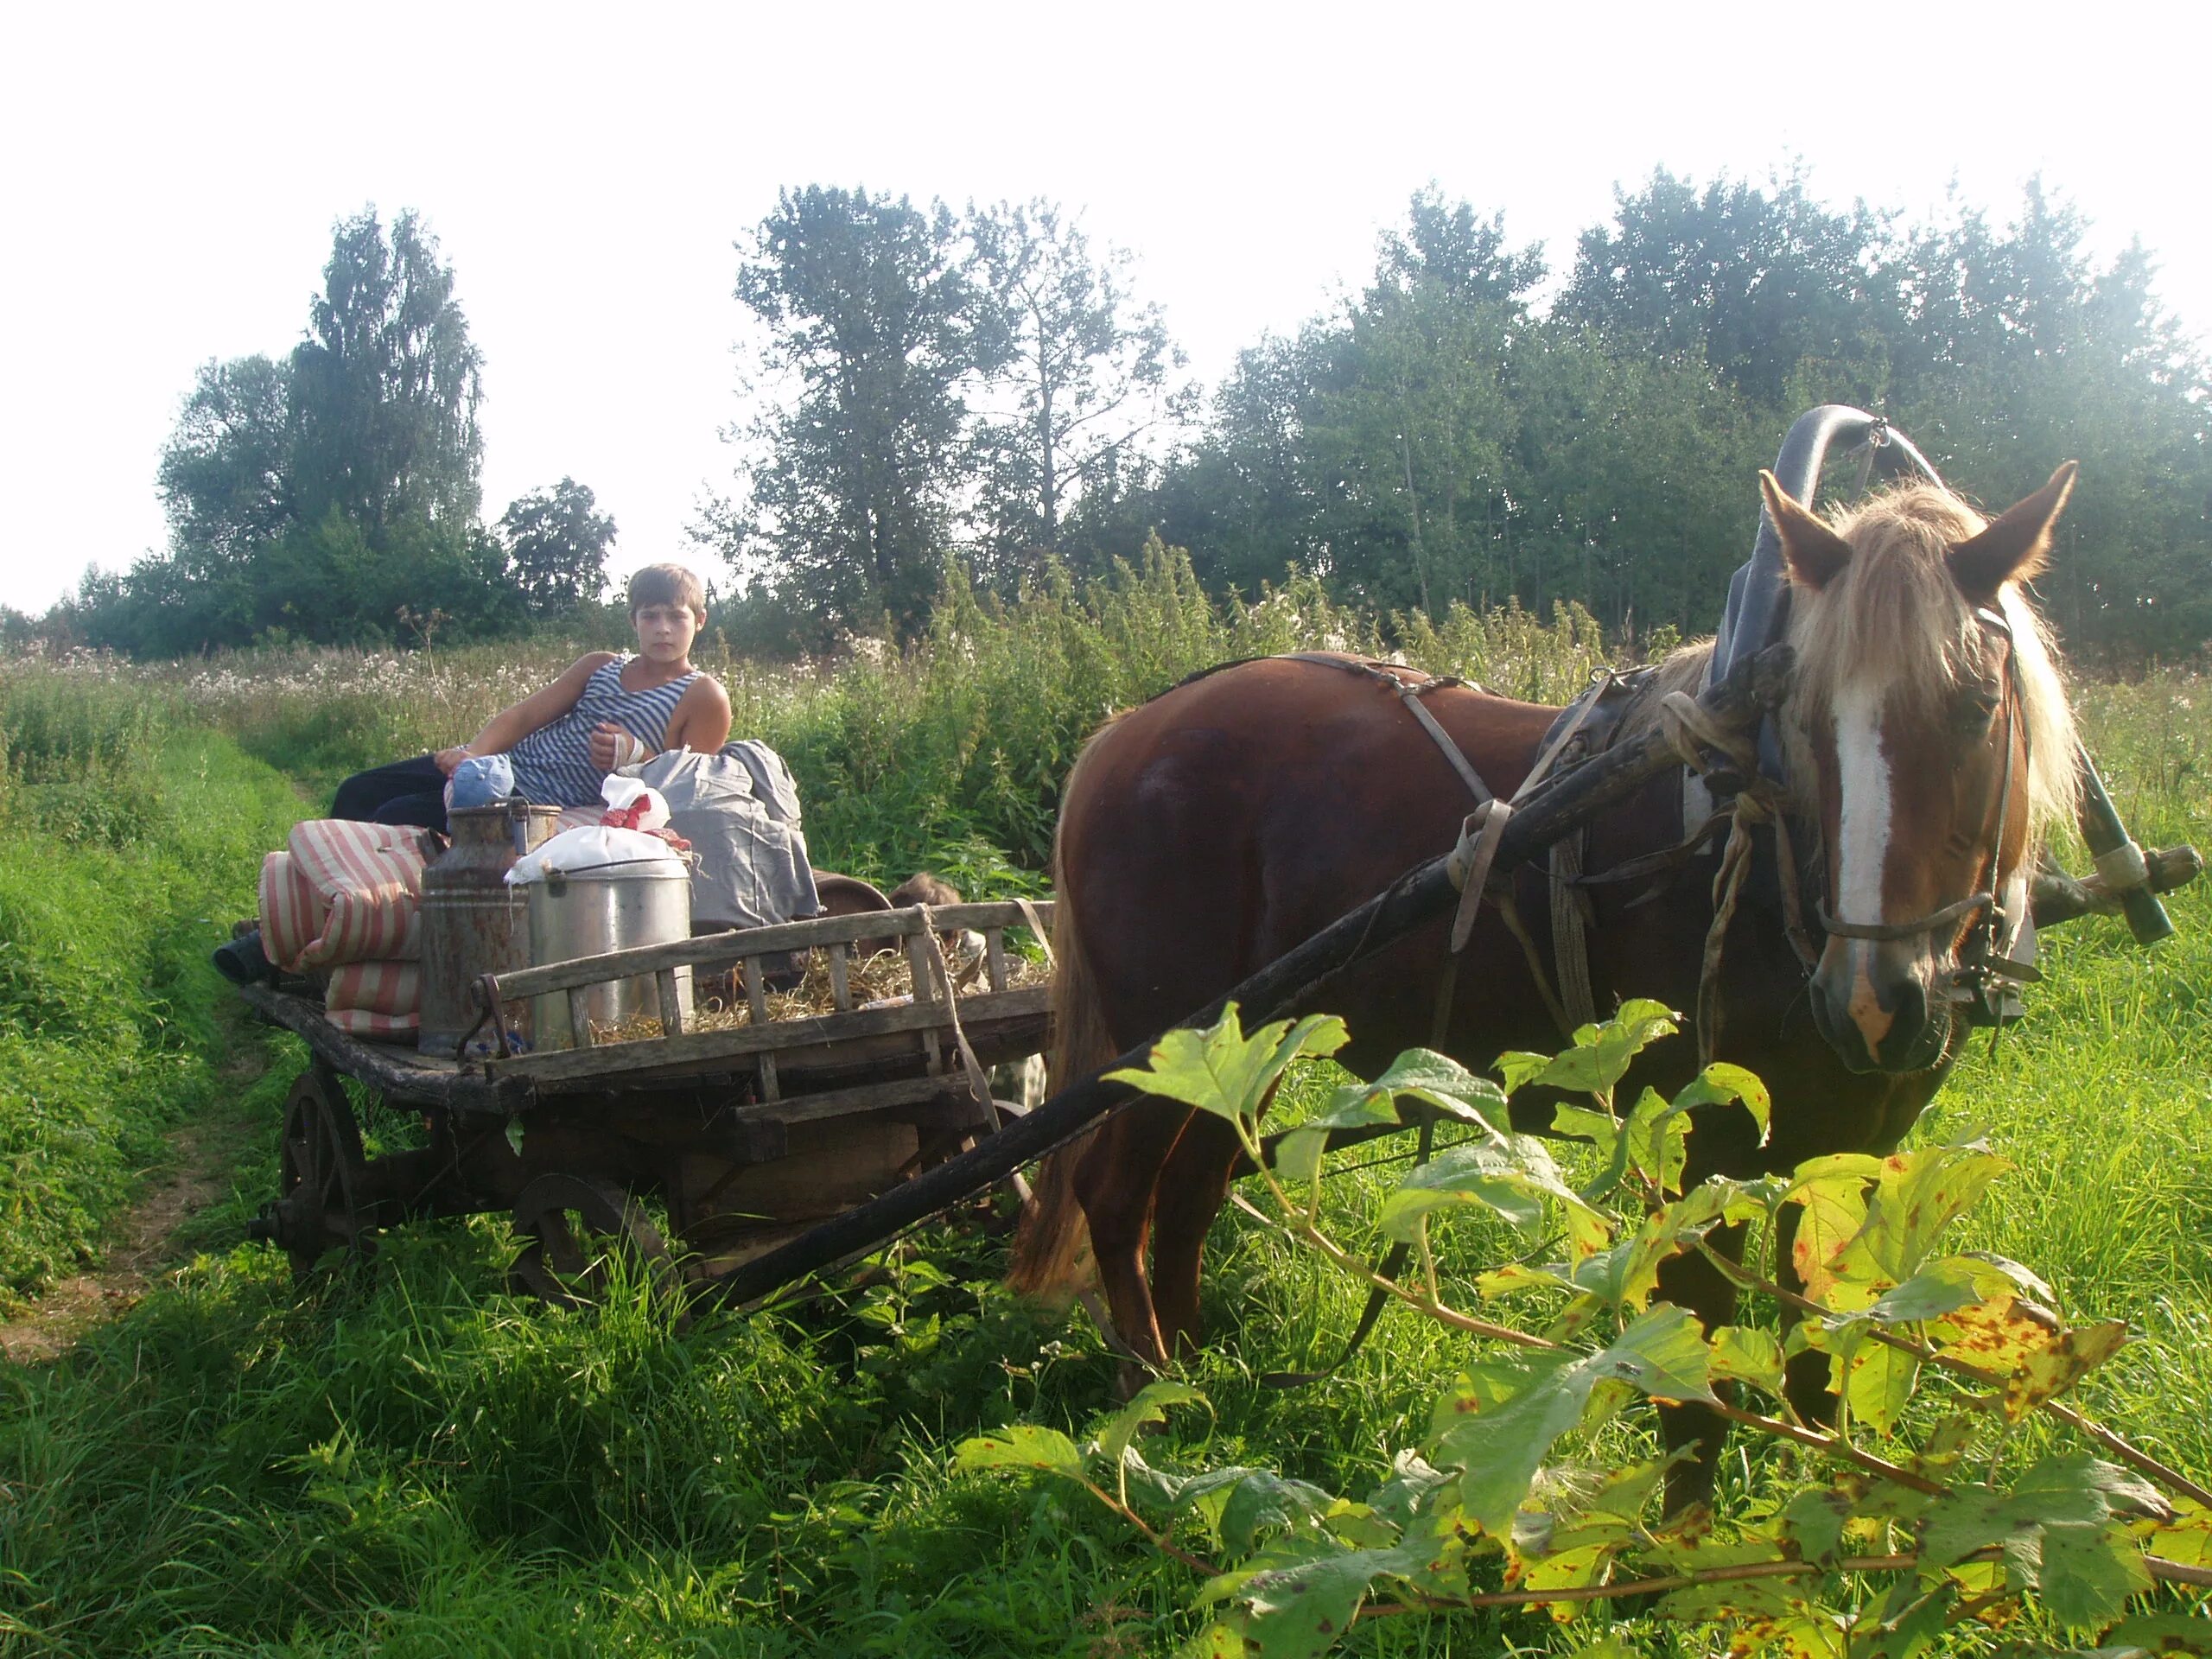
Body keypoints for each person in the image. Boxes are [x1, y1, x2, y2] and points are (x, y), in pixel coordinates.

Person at [331, 563, 734, 831]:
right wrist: (473, 753)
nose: (663, 628)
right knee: (357, 791)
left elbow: (681, 792)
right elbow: (524, 718)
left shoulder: (703, 696)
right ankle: (312, 902)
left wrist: (635, 754)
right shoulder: (601, 665)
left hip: (533, 800)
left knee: (391, 816)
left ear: (699, 621)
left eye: (676, 616)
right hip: (496, 768)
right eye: (650, 616)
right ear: (633, 621)